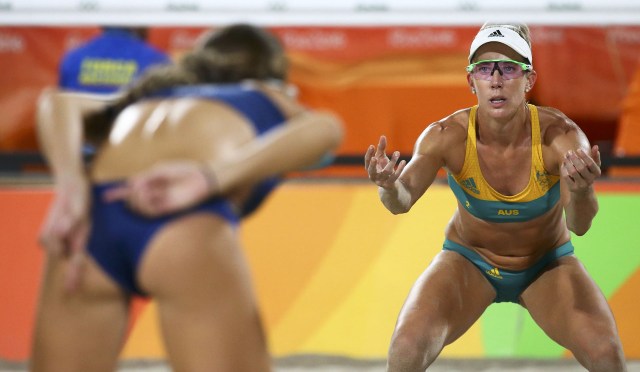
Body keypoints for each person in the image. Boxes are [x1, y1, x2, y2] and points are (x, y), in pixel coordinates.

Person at [32, 24, 343, 372]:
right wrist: (210, 178)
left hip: (90, 222)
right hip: (183, 220)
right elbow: (327, 129)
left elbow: (56, 102)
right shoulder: (263, 93)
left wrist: (71, 185)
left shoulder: (151, 97)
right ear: (272, 73)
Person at [365, 23, 626, 371]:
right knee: (406, 350)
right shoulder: (446, 136)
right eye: (485, 68)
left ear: (529, 80)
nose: (497, 79)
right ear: (471, 81)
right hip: (469, 261)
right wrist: (387, 185)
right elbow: (401, 201)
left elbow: (579, 225)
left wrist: (580, 190)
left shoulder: (560, 137)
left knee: (607, 356)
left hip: (545, 265)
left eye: (509, 68)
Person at [58, 27, 171, 94]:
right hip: (135, 133)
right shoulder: (157, 60)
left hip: (85, 132)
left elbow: (62, 113)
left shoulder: (73, 59)